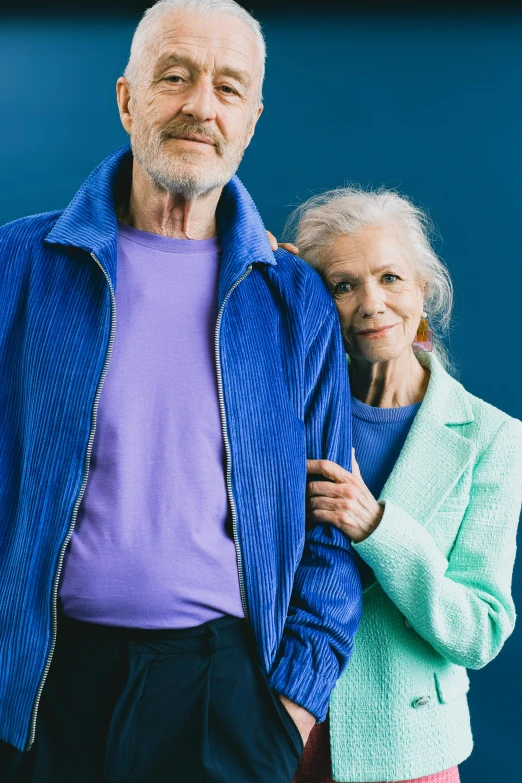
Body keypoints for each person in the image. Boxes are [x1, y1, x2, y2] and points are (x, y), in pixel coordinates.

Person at [0, 2, 362, 781]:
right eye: (176, 77)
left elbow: (330, 525)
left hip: (223, 696)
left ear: (251, 120)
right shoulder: (19, 265)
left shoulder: (292, 299)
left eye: (229, 88)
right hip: (40, 689)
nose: (202, 105)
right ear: (128, 98)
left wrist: (287, 710)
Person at [269, 187, 522, 783]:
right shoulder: (284, 413)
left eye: (390, 278)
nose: (371, 304)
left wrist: (377, 527)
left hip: (408, 753)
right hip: (276, 733)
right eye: (342, 284)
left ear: (425, 290)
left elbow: (481, 631)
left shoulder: (492, 438)